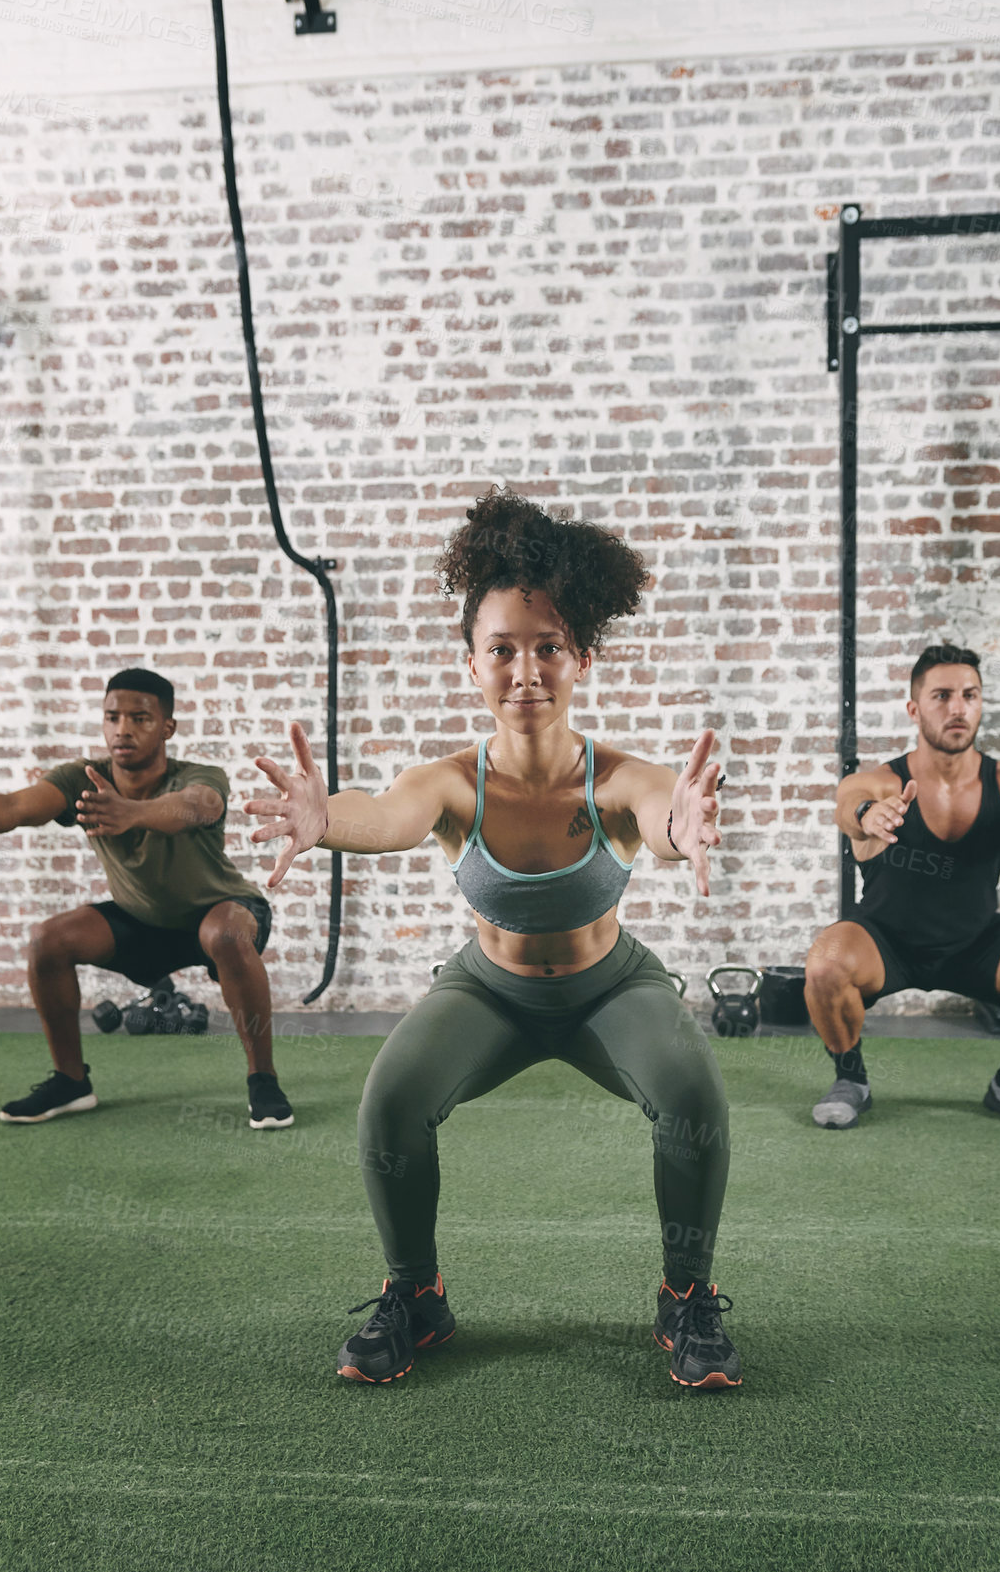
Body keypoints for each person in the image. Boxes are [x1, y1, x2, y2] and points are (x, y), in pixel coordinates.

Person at [248, 489, 739, 1389]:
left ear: (580, 657)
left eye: (547, 647)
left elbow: (663, 817)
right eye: (501, 650)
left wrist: (686, 825)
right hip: (491, 991)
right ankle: (416, 1297)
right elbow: (387, 815)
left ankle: (686, 1296)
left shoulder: (622, 777)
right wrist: (324, 820)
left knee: (693, 1102)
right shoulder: (450, 784)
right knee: (390, 1101)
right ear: (469, 663)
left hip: (610, 986)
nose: (525, 671)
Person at [0, 667, 294, 1130]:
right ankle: (71, 1082)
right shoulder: (83, 779)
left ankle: (264, 1082)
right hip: (141, 919)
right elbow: (12, 808)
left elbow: (197, 806)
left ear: (167, 728)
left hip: (220, 911)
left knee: (225, 933)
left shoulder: (199, 775)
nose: (123, 729)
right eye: (112, 717)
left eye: (139, 718)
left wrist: (133, 813)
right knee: (47, 940)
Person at [805, 643, 1000, 1133]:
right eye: (942, 696)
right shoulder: (885, 782)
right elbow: (849, 801)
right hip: (887, 942)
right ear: (915, 708)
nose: (957, 708)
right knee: (824, 964)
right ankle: (851, 1081)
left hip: (977, 942)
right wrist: (868, 815)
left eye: (969, 695)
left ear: (981, 703)